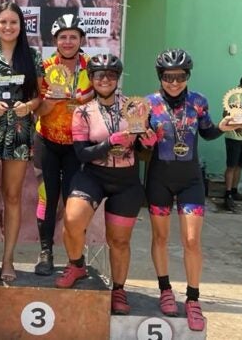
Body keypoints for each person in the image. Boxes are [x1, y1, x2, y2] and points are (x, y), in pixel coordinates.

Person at [53, 54, 156, 317]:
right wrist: (110, 142)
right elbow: (82, 154)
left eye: (111, 74)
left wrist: (148, 142)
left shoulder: (135, 108)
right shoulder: (82, 111)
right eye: (99, 75)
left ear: (118, 78)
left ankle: (118, 289)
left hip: (126, 180)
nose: (105, 79)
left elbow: (143, 151)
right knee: (72, 220)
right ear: (92, 78)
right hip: (93, 175)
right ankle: (77, 265)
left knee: (119, 241)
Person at [145, 49, 234, 331]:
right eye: (168, 77)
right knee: (160, 237)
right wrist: (142, 140)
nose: (174, 82)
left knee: (192, 240)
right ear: (160, 76)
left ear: (188, 76)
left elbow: (207, 132)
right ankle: (165, 290)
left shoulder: (198, 102)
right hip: (159, 179)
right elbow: (140, 144)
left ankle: (193, 299)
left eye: (180, 77)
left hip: (191, 181)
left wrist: (221, 127)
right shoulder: (148, 104)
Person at [0, 2, 43, 281]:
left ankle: (8, 259)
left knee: (12, 196)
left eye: (13, 22)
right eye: (3, 22)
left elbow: (39, 96)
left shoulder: (32, 56)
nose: (8, 27)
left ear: (21, 25)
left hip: (19, 130)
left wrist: (29, 106)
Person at [32, 14, 94, 275]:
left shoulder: (92, 67)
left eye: (73, 37)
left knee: (73, 202)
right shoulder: (45, 67)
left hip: (77, 146)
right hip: (47, 141)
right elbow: (36, 110)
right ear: (55, 41)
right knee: (48, 196)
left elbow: (103, 98)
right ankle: (45, 252)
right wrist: (50, 102)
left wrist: (85, 97)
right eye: (63, 37)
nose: (68, 42)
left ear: (81, 40)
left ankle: (74, 257)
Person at [223, 74, 242, 211]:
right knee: (231, 166)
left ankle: (234, 191)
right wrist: (235, 126)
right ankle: (228, 194)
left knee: (240, 166)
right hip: (233, 137)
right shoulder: (234, 96)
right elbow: (225, 115)